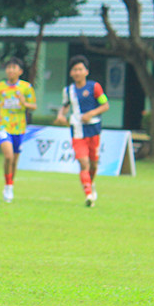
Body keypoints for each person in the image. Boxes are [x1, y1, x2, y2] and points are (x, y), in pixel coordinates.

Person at [53, 55, 109, 207]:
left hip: (94, 130)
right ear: (71, 73)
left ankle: (91, 183)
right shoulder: (68, 90)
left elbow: (105, 105)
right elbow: (65, 106)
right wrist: (60, 115)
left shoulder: (95, 87)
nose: (77, 72)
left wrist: (91, 113)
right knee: (84, 163)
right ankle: (88, 195)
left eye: (80, 69)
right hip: (77, 131)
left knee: (94, 165)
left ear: (86, 71)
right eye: (74, 70)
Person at [0, 57, 36, 202]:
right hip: (3, 125)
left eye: (14, 68)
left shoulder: (26, 87)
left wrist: (24, 103)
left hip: (19, 127)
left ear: (20, 71)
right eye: (8, 67)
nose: (10, 70)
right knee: (8, 156)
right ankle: (8, 184)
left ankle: (9, 185)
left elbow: (33, 106)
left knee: (14, 160)